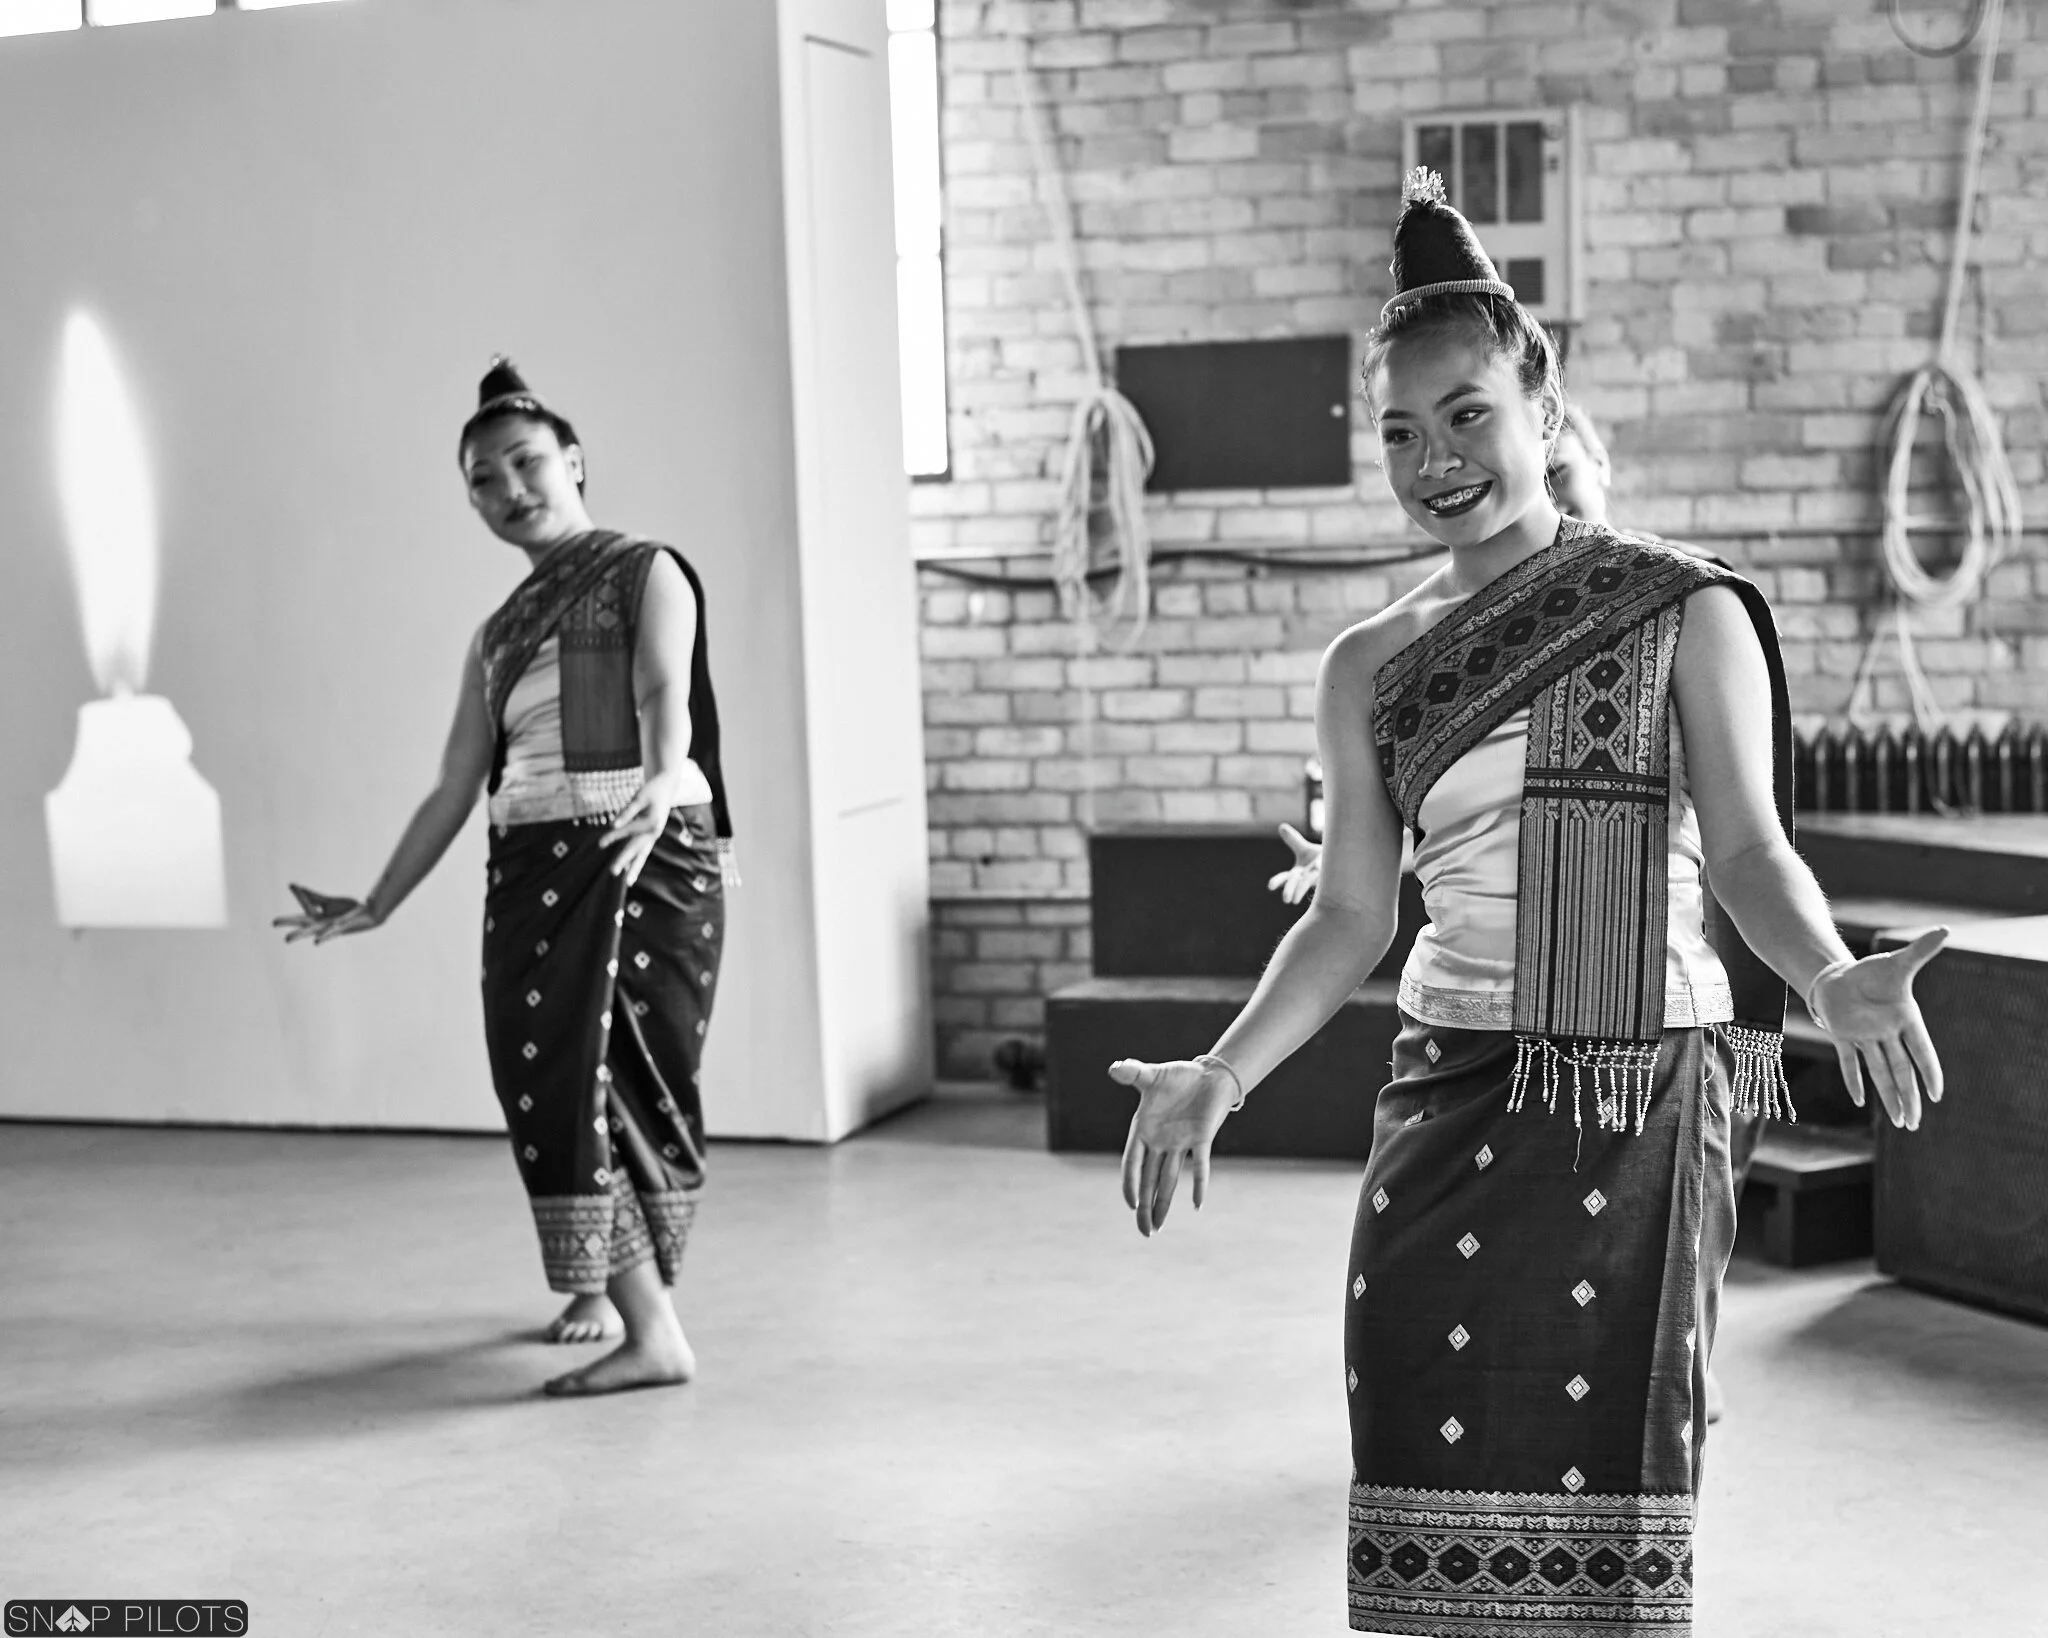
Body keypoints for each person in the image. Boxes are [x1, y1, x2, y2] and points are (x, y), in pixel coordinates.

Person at [1109, 170, 1948, 1634]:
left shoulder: (1677, 607)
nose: (1434, 459)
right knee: (1414, 1416)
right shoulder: (1368, 663)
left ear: (1544, 412)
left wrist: (1827, 976)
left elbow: (1747, 855)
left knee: (1609, 1469)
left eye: (1466, 414)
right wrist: (1222, 1070)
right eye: (1400, 431)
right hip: (1448, 1083)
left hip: (1637, 1087)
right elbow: (1351, 916)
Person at [278, 358, 739, 1398]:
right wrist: (377, 901)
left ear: (573, 460)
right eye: (483, 480)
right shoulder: (495, 636)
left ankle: (655, 1336)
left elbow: (663, 690)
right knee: (548, 1080)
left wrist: (660, 779)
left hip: (635, 849)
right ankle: (606, 1291)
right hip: (530, 866)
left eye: (525, 462)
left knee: (611, 1081)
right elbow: (455, 782)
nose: (509, 489)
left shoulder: (643, 570)